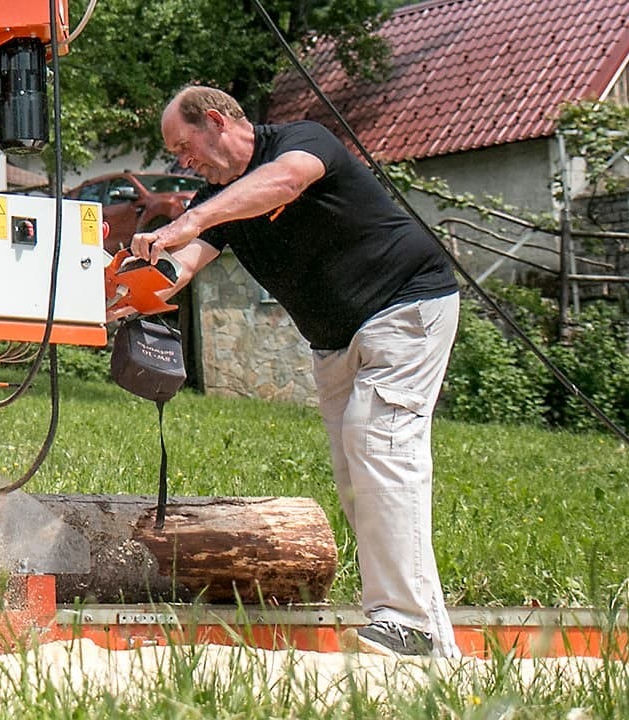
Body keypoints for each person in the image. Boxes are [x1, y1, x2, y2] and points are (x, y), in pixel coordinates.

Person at [128, 85, 462, 657]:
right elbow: (180, 265)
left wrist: (193, 218)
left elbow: (281, 183)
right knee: (363, 477)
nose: (183, 162)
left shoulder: (302, 140)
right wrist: (126, 289)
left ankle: (406, 621)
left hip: (404, 304)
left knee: (378, 443)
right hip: (333, 339)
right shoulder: (220, 199)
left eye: (184, 146)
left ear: (215, 121)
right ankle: (426, 636)